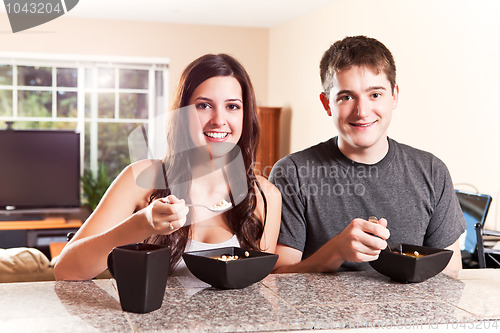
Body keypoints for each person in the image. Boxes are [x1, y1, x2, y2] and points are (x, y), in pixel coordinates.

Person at [55, 54, 281, 281]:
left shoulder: (266, 195)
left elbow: (261, 285)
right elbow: (66, 270)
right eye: (204, 105)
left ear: (246, 115)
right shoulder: (142, 179)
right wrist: (141, 224)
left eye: (232, 106)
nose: (219, 120)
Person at [269, 36, 465, 276]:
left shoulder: (432, 172)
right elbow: (277, 280)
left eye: (375, 95)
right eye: (346, 97)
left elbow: (450, 274)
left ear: (394, 96)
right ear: (327, 104)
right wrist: (336, 251)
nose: (362, 112)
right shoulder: (292, 173)